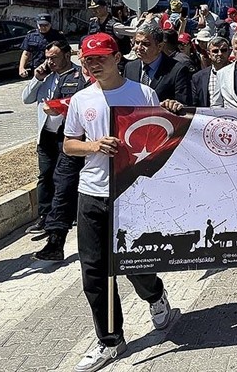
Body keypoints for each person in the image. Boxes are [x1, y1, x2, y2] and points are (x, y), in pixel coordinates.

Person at [63, 33, 175, 372]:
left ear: (117, 58)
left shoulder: (142, 93)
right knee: (95, 272)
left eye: (101, 57)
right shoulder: (81, 99)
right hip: (93, 193)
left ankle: (156, 296)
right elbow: (69, 145)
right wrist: (94, 146)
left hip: (131, 193)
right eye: (88, 59)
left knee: (134, 263)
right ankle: (110, 339)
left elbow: (159, 138)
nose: (95, 64)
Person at [33, 57, 95, 261]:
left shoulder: (108, 79)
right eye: (86, 58)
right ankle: (55, 241)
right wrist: (52, 109)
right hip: (71, 143)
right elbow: (51, 104)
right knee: (63, 189)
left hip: (99, 145)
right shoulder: (69, 78)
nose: (89, 63)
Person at [21, 40, 78, 233]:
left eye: (54, 58)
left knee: (68, 176)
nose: (50, 62)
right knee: (45, 175)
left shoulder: (79, 76)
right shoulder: (45, 76)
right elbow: (26, 99)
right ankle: (44, 216)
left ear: (67, 56)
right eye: (47, 58)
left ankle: (71, 213)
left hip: (69, 136)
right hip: (46, 136)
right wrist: (37, 78)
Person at [123, 23, 192, 105]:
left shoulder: (177, 70)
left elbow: (184, 105)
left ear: (160, 46)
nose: (139, 48)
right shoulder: (130, 68)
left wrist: (173, 104)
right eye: (137, 42)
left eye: (145, 44)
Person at [192, 36, 232, 108]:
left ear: (229, 52)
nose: (219, 54)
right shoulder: (198, 77)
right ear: (209, 54)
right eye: (215, 51)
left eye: (223, 50)